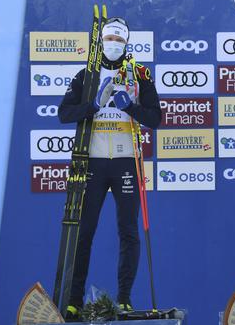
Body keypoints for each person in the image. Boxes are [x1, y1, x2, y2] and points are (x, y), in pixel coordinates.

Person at [58, 17, 161, 320]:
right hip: (93, 161)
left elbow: (155, 119)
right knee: (84, 232)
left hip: (126, 160)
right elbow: (64, 113)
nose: (114, 45)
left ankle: (125, 298)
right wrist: (93, 104)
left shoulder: (139, 74)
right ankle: (74, 299)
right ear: (101, 42)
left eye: (119, 40)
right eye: (109, 40)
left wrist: (131, 107)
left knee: (128, 231)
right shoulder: (86, 75)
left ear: (127, 43)